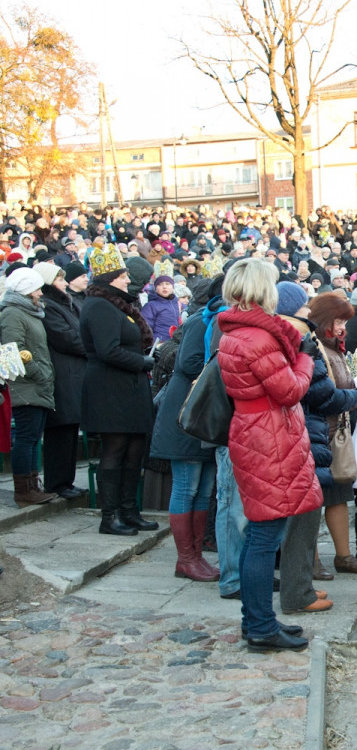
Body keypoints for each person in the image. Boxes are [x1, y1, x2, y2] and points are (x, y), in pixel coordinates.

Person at [217, 258, 319, 652]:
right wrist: (306, 359)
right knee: (264, 534)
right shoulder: (255, 338)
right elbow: (290, 391)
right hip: (267, 436)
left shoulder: (238, 331)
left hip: (258, 431)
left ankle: (257, 619)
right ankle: (260, 625)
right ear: (264, 290)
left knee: (262, 532)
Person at [79, 245, 158, 535]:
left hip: (130, 387)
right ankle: (109, 517)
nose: (128, 280)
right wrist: (145, 361)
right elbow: (108, 350)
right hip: (110, 389)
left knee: (134, 451)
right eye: (124, 275)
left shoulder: (115, 304)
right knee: (115, 450)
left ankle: (129, 511)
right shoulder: (99, 306)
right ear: (111, 277)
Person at [149, 283, 221, 582]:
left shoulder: (213, 319)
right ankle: (186, 558)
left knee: (203, 488)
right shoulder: (199, 320)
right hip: (186, 412)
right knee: (186, 487)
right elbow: (189, 363)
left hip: (202, 413)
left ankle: (196, 556)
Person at [306, 291, 357, 576]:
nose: (342, 327)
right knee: (313, 500)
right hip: (317, 433)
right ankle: (310, 559)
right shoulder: (314, 348)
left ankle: (343, 556)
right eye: (337, 320)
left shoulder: (334, 348)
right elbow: (325, 396)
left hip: (334, 433)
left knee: (337, 496)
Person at [1, 267, 56, 507]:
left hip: (37, 384)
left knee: (33, 437)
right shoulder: (13, 313)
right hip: (26, 385)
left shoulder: (29, 312)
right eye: (36, 288)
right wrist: (40, 374)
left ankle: (33, 485)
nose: (41, 293)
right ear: (26, 289)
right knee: (26, 437)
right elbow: (13, 349)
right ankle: (24, 489)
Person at [35, 263, 88, 500]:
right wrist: (90, 347)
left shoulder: (64, 304)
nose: (65, 283)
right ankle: (57, 482)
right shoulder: (49, 306)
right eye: (59, 280)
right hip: (62, 374)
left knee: (70, 428)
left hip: (74, 373)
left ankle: (66, 480)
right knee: (60, 429)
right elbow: (67, 338)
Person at [140, 274, 181, 344]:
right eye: (160, 284)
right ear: (156, 289)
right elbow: (145, 328)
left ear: (173, 287)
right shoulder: (151, 306)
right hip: (159, 344)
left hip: (177, 343)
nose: (164, 287)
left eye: (167, 284)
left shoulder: (179, 304)